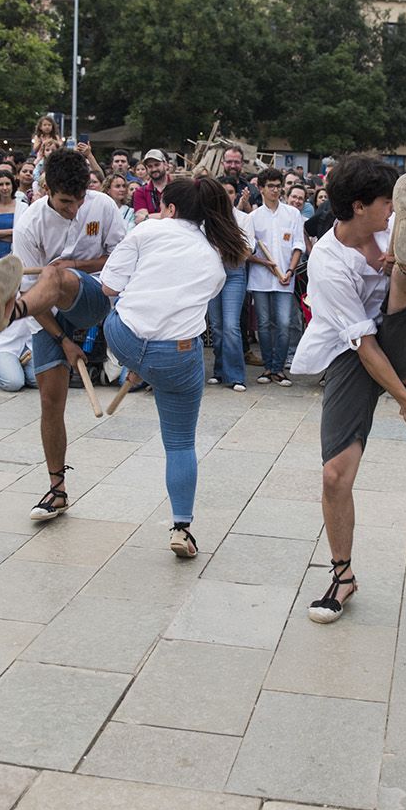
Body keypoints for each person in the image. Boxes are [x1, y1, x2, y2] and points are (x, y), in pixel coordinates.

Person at [290, 159, 406, 623]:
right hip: (354, 350)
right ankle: (342, 575)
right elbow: (364, 345)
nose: (392, 208)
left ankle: (405, 262)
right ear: (358, 207)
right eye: (385, 202)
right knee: (335, 474)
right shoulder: (327, 264)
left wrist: (404, 262)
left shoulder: (396, 222)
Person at [99, 177, 248, 557]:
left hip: (125, 336)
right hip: (176, 354)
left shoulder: (148, 229)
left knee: (83, 289)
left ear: (170, 208)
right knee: (180, 443)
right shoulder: (216, 258)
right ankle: (182, 527)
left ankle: (35, 302)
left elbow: (110, 287)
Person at [0, 148, 126, 520]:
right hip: (46, 314)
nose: (74, 210)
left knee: (53, 274)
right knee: (50, 402)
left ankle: (13, 309)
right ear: (47, 188)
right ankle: (56, 489)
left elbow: (122, 258)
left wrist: (76, 264)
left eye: (79, 202)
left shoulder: (103, 206)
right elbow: (37, 292)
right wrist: (63, 340)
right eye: (65, 202)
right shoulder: (29, 223)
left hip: (93, 296)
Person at [246, 167, 305, 386]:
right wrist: (266, 264)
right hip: (261, 279)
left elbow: (298, 245)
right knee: (263, 324)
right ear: (261, 188)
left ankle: (279, 368)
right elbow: (249, 251)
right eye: (270, 186)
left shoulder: (292, 214)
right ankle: (268, 367)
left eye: (278, 186)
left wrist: (289, 270)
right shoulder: (253, 217)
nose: (275, 190)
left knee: (283, 322)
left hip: (285, 279)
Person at [206, 177, 257, 392]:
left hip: (234, 274)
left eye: (230, 192)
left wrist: (223, 249)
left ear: (236, 195)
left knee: (231, 326)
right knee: (216, 327)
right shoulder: (207, 219)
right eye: (223, 192)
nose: (227, 196)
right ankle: (219, 370)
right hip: (211, 275)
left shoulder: (244, 219)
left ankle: (236, 375)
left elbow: (247, 251)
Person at [131, 148, 171, 222]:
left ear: (165, 165)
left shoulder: (178, 187)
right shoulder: (140, 192)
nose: (154, 169)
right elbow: (139, 220)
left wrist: (147, 217)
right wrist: (169, 215)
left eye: (157, 164)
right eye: (150, 166)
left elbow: (183, 215)